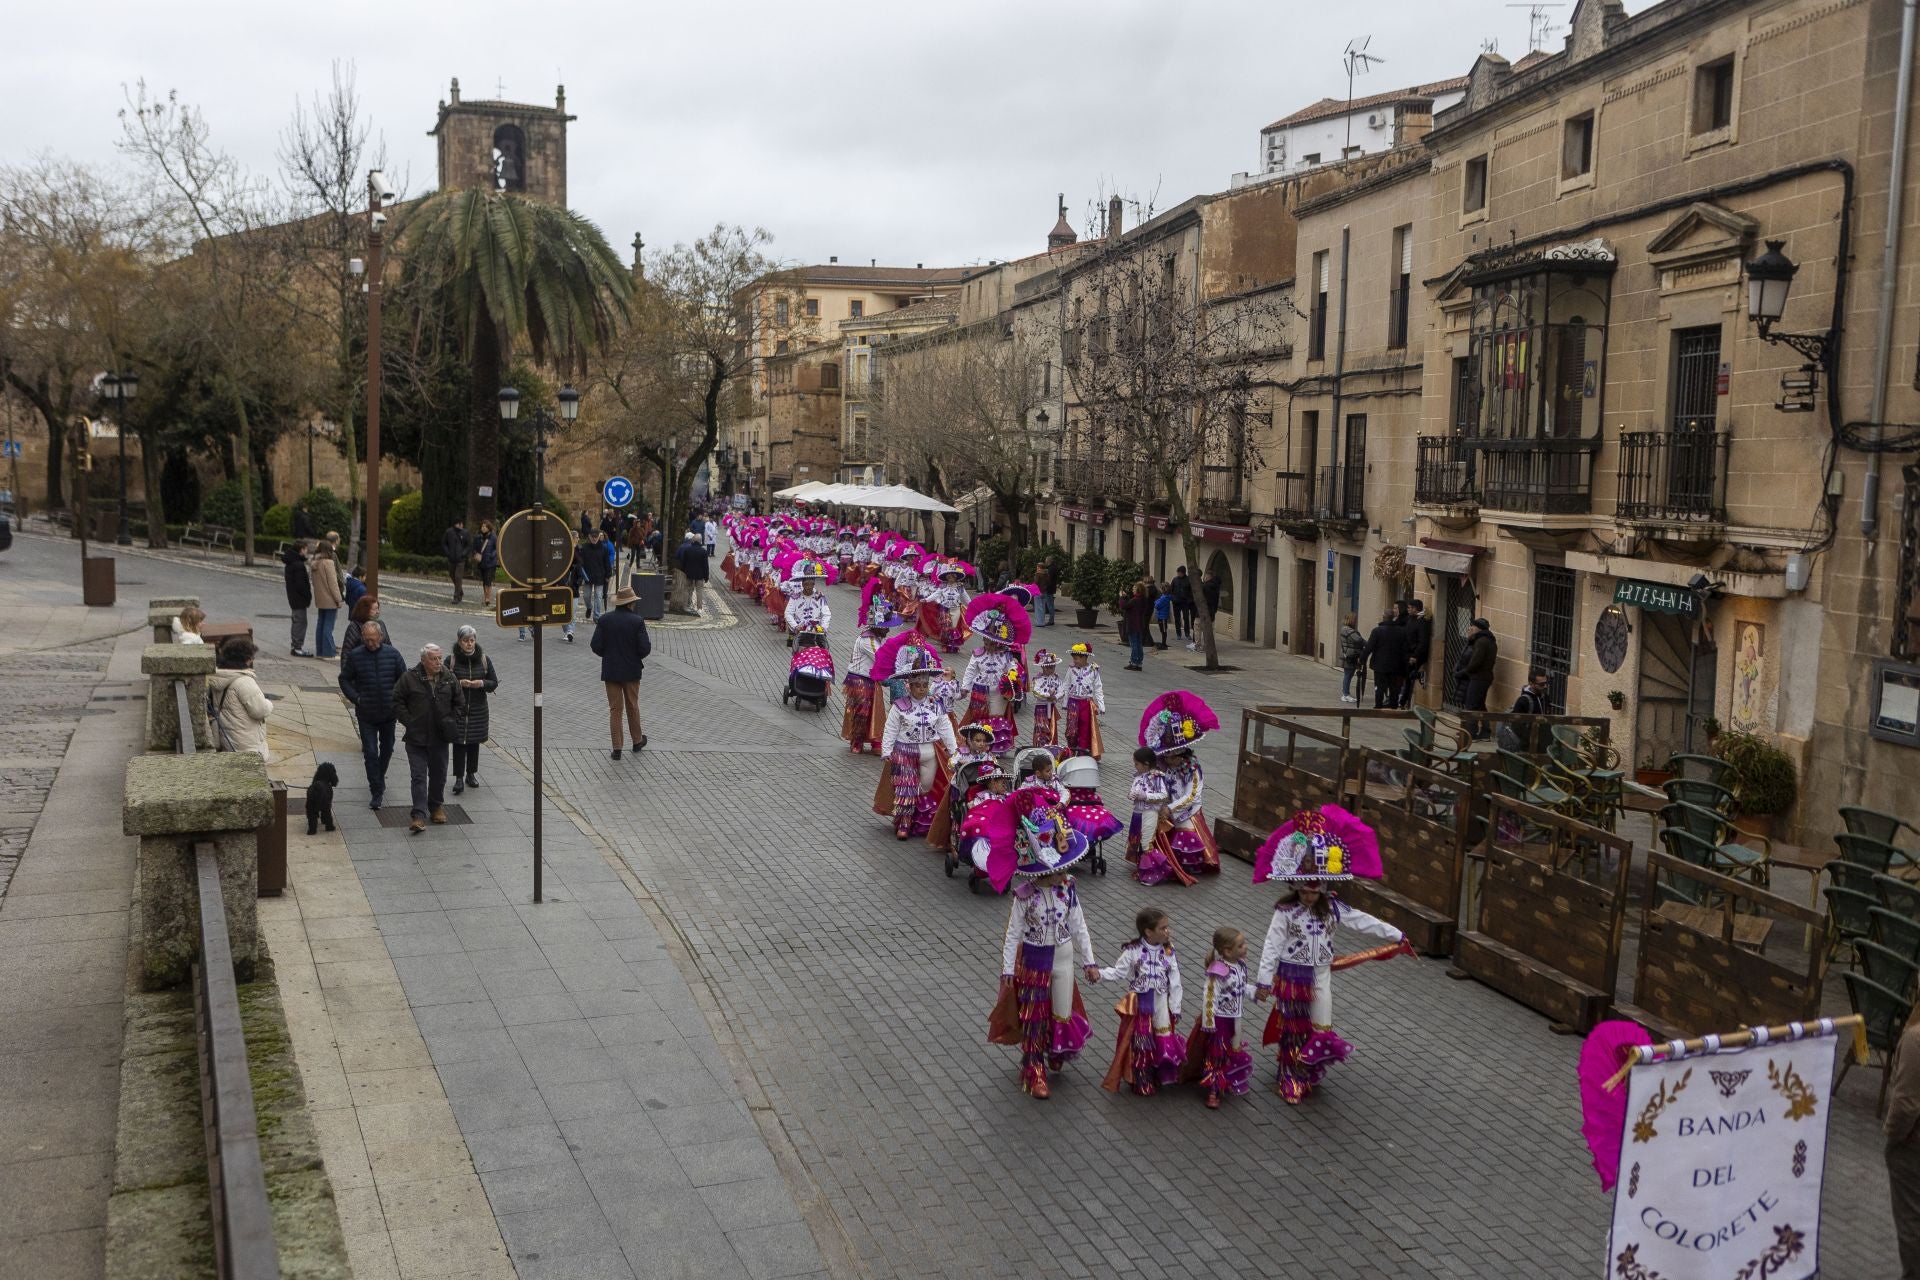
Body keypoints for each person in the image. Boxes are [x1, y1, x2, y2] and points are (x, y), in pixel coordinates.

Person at [1252, 806, 1412, 1103]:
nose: (1309, 896)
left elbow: (1365, 921)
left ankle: (1308, 1067)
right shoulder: (1285, 912)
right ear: (1296, 887)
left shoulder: (1334, 909)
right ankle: (1289, 1076)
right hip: (1292, 975)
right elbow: (1271, 945)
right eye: (1304, 891)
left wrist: (1396, 934)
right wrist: (1263, 980)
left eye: (1314, 892)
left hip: (1321, 973)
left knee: (1321, 1025)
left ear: (1324, 888)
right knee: (1295, 1027)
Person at [976, 788, 1099, 1100]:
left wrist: (1090, 961)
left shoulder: (1068, 892)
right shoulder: (1024, 897)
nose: (1063, 873)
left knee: (1061, 1011)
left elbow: (1079, 926)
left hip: (1063, 957)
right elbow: (1012, 934)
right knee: (1033, 1016)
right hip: (1033, 960)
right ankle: (1034, 1069)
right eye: (1059, 870)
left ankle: (1054, 1050)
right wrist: (1006, 970)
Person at [871, 637, 958, 840]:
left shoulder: (936, 704)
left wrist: (953, 751)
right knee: (906, 787)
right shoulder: (899, 705)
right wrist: (886, 750)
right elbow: (891, 728)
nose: (921, 688)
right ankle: (904, 822)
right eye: (917, 685)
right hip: (905, 751)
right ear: (909, 686)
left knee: (925, 786)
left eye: (924, 684)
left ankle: (918, 815)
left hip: (930, 751)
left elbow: (945, 727)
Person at [1135, 691, 1223, 885]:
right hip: (1165, 809)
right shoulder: (1163, 766)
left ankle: (1185, 863)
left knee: (1185, 832)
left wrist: (1170, 809)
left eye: (1172, 757)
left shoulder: (1193, 770)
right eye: (1165, 757)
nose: (1168, 761)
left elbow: (1191, 796)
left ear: (1182, 756)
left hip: (1186, 811)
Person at [1096, 907, 1186, 1096]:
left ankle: (1157, 1071)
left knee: (1162, 1036)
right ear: (1148, 931)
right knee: (1142, 1040)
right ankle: (1141, 1077)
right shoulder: (1133, 951)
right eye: (1163, 928)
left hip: (1161, 1001)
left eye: (1167, 927)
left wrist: (1175, 1006)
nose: (1167, 931)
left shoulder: (1168, 951)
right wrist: (1100, 974)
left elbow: (1175, 980)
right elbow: (1118, 971)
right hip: (1141, 1003)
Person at [1182, 927, 1253, 1109]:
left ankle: (1227, 1080)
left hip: (1236, 1018)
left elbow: (1241, 988)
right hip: (1220, 1020)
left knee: (1234, 1049)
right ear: (1228, 951)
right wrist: (1209, 1021)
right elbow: (1210, 996)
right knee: (1217, 1055)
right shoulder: (1218, 971)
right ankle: (1213, 1089)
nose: (1246, 947)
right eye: (1241, 945)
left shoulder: (1241, 965)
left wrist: (1255, 992)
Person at [338, 620, 406, 809]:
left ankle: (379, 776)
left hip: (388, 713)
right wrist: (356, 698)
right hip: (366, 713)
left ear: (381, 638)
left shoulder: (393, 654)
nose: (370, 644)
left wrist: (398, 700)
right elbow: (344, 679)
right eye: (367, 640)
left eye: (373, 640)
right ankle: (376, 789)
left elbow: (404, 679)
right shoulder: (356, 656)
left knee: (388, 748)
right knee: (370, 752)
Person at [392, 642, 459, 834]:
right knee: (418, 776)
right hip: (416, 738)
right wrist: (409, 721)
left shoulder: (449, 678)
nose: (438, 662)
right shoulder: (409, 678)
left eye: (439, 658)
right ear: (423, 660)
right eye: (433, 659)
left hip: (440, 738)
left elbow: (459, 703)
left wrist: (451, 721)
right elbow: (397, 700)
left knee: (439, 775)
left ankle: (436, 806)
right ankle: (419, 815)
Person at [957, 593, 1030, 756]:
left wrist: (1012, 677)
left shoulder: (1005, 655)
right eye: (986, 642)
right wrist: (964, 688)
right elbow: (970, 670)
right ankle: (978, 746)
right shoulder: (977, 654)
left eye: (991, 643)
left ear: (998, 642)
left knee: (996, 717)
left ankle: (996, 748)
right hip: (979, 691)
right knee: (980, 718)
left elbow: (1014, 668)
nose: (988, 646)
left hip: (998, 692)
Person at [591, 584, 653, 759]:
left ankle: (617, 748)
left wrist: (609, 655)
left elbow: (595, 645)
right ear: (630, 603)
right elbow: (645, 648)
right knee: (632, 706)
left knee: (615, 709)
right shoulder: (637, 621)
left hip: (611, 670)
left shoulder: (604, 620)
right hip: (632, 670)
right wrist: (633, 655)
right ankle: (637, 741)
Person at [842, 582, 901, 755]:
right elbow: (881, 658)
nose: (888, 631)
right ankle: (857, 741)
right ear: (878, 626)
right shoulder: (868, 640)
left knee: (875, 712)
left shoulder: (877, 638)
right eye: (886, 628)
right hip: (860, 679)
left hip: (872, 679)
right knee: (861, 712)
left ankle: (875, 740)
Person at [1886, 1003, 1920, 1279]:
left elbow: (1907, 1103)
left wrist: (1893, 1136)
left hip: (1913, 1146)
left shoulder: (1915, 1039)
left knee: (1911, 1224)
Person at [448, 625, 498, 795]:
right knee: (459, 743)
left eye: (472, 640)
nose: (469, 644)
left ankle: (471, 774)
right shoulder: (451, 660)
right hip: (458, 709)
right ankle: (459, 778)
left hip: (478, 709)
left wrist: (481, 684)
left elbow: (493, 682)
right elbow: (443, 682)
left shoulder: (484, 659)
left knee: (473, 743)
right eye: (465, 641)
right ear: (459, 641)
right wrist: (458, 683)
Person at [210, 638, 272, 759]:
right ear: (247, 660)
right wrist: (269, 703)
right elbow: (259, 711)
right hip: (247, 742)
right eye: (252, 658)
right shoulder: (245, 682)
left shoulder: (218, 678)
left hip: (229, 739)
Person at [1456, 617, 1498, 739]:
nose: (1470, 629)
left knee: (1472, 705)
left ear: (1478, 629)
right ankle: (1485, 731)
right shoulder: (1487, 640)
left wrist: (1464, 672)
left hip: (1479, 678)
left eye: (1472, 627)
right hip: (1483, 677)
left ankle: (1470, 732)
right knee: (1479, 704)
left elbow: (1476, 661)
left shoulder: (1482, 641)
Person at [1062, 643, 1105, 759]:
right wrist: (1065, 702)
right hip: (1073, 703)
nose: (1074, 661)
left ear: (1084, 657)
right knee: (1071, 731)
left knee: (1084, 730)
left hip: (1086, 704)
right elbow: (1066, 685)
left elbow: (1098, 688)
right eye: (1073, 658)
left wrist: (1101, 705)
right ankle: (1071, 752)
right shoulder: (1071, 669)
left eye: (1076, 659)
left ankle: (1082, 755)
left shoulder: (1093, 670)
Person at [1361, 610, 1410, 710]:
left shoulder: (1377, 631)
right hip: (1396, 664)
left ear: (1383, 617)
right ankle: (1393, 704)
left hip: (1380, 664)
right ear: (1393, 618)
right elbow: (1405, 648)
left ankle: (1378, 704)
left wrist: (1362, 659)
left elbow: (1369, 647)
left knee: (1379, 686)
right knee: (1394, 686)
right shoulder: (1401, 631)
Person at [309, 540, 344, 659]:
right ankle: (328, 653)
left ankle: (320, 651)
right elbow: (333, 584)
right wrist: (338, 599)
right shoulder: (328, 563)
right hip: (330, 599)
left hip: (320, 598)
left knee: (321, 624)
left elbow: (313, 582)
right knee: (328, 626)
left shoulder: (315, 563)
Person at [283, 540, 314, 657]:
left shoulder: (291, 562)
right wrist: (308, 595)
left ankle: (295, 645)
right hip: (299, 598)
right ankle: (297, 647)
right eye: (306, 549)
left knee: (297, 620)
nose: (307, 551)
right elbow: (301, 585)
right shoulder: (298, 565)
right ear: (301, 550)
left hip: (293, 597)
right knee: (300, 622)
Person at [1029, 650, 1064, 749]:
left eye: (1053, 667)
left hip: (1052, 707)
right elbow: (1035, 692)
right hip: (1041, 707)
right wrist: (1046, 695)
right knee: (1041, 728)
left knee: (1052, 728)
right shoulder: (1037, 679)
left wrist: (1055, 696)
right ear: (1043, 667)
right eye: (1048, 667)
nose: (1051, 670)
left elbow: (1062, 690)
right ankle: (1040, 748)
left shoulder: (1056, 678)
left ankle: (1052, 747)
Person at [1402, 599, 1432, 709]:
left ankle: (1405, 702)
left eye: (1410, 608)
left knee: (1409, 679)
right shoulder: (1411, 619)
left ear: (1415, 609)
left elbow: (1423, 641)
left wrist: (1415, 655)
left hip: (1414, 655)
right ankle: (1403, 701)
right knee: (1407, 677)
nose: (1408, 610)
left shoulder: (1422, 622)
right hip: (1408, 653)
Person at [583, 530, 614, 618]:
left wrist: (608, 575)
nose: (594, 538)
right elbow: (581, 562)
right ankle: (589, 607)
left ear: (598, 537)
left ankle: (596, 616)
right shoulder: (584, 547)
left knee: (598, 596)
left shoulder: (604, 548)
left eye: (596, 536)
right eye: (592, 536)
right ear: (589, 536)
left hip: (600, 575)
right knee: (586, 596)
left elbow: (607, 563)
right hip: (587, 576)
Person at [677, 532, 711, 612]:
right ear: (700, 541)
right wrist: (706, 577)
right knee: (699, 591)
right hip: (700, 574)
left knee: (687, 590)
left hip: (688, 573)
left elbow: (684, 563)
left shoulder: (688, 550)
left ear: (693, 540)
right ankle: (699, 608)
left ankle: (686, 606)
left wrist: (683, 572)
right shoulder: (703, 551)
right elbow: (705, 566)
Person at [1337, 612, 1366, 704]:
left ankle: (1346, 693)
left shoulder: (1347, 629)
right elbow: (1358, 640)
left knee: (1349, 675)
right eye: (1354, 619)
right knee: (1348, 675)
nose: (1355, 620)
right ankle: (1345, 694)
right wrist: (1369, 644)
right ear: (1349, 619)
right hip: (1350, 656)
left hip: (1351, 655)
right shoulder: (1347, 629)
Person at [1123, 583, 1153, 671]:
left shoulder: (1135, 600)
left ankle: (1134, 662)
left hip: (1133, 625)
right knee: (1139, 644)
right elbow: (1131, 605)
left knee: (1134, 644)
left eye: (1134, 588)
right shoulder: (1143, 600)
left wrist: (1122, 597)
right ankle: (1139, 663)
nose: (1133, 590)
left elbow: (1124, 606)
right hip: (1140, 625)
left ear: (1138, 590)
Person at [442, 518, 470, 603]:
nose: (462, 525)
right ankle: (460, 591)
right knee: (452, 575)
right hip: (451, 558)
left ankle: (456, 597)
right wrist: (448, 553)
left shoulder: (465, 533)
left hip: (461, 559)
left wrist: (463, 554)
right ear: (456, 524)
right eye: (460, 523)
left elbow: (468, 545)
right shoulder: (449, 532)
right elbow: (444, 543)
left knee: (458, 577)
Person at [473, 520, 499, 607]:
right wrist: (475, 554)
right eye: (482, 526)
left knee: (488, 580)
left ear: (489, 528)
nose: (483, 528)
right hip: (481, 561)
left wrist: (492, 555)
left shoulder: (493, 537)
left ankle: (488, 598)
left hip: (491, 562)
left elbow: (497, 548)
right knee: (484, 580)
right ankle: (486, 597)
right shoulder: (478, 537)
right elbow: (474, 548)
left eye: (485, 526)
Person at [1170, 565, 1196, 645]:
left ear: (1183, 573)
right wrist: (1173, 598)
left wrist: (1189, 600)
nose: (1178, 574)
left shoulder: (1188, 580)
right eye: (1178, 572)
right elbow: (1171, 590)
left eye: (1180, 573)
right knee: (1177, 618)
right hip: (1176, 602)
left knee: (1185, 617)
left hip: (1185, 602)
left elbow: (1191, 591)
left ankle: (1187, 633)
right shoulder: (1175, 580)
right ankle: (1178, 634)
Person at [1033, 561, 1057, 627]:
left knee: (1038, 608)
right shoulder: (1046, 574)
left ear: (1039, 567)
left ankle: (1039, 622)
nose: (1037, 568)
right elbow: (1048, 583)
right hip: (1044, 592)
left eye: (1037, 567)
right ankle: (1042, 621)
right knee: (1043, 607)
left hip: (1038, 592)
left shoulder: (1038, 574)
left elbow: (1036, 583)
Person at [1153, 583, 1172, 650]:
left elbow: (1156, 605)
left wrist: (1156, 602)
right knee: (1163, 630)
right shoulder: (1165, 597)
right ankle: (1164, 643)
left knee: (1163, 630)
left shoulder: (1164, 598)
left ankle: (1163, 644)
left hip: (1162, 616)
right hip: (1162, 616)